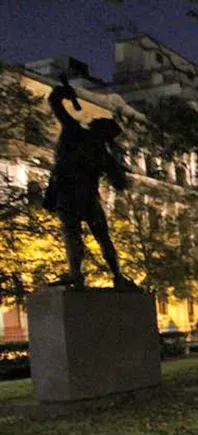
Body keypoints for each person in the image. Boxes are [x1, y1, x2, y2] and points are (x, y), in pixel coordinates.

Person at [43, 82, 135, 289]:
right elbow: (120, 183)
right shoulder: (102, 152)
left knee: (73, 234)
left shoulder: (73, 130)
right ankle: (117, 275)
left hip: (66, 194)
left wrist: (62, 93)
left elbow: (55, 103)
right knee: (102, 236)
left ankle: (76, 274)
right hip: (85, 197)